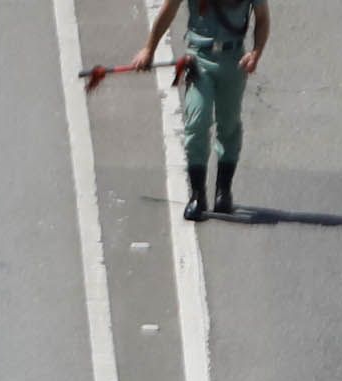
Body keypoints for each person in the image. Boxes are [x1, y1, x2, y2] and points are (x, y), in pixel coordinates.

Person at [108, 0, 272, 221]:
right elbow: (169, 10)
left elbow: (262, 18)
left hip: (233, 59)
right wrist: (149, 49)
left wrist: (256, 52)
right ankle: (197, 194)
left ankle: (223, 191)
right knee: (197, 120)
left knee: (229, 124)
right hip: (199, 58)